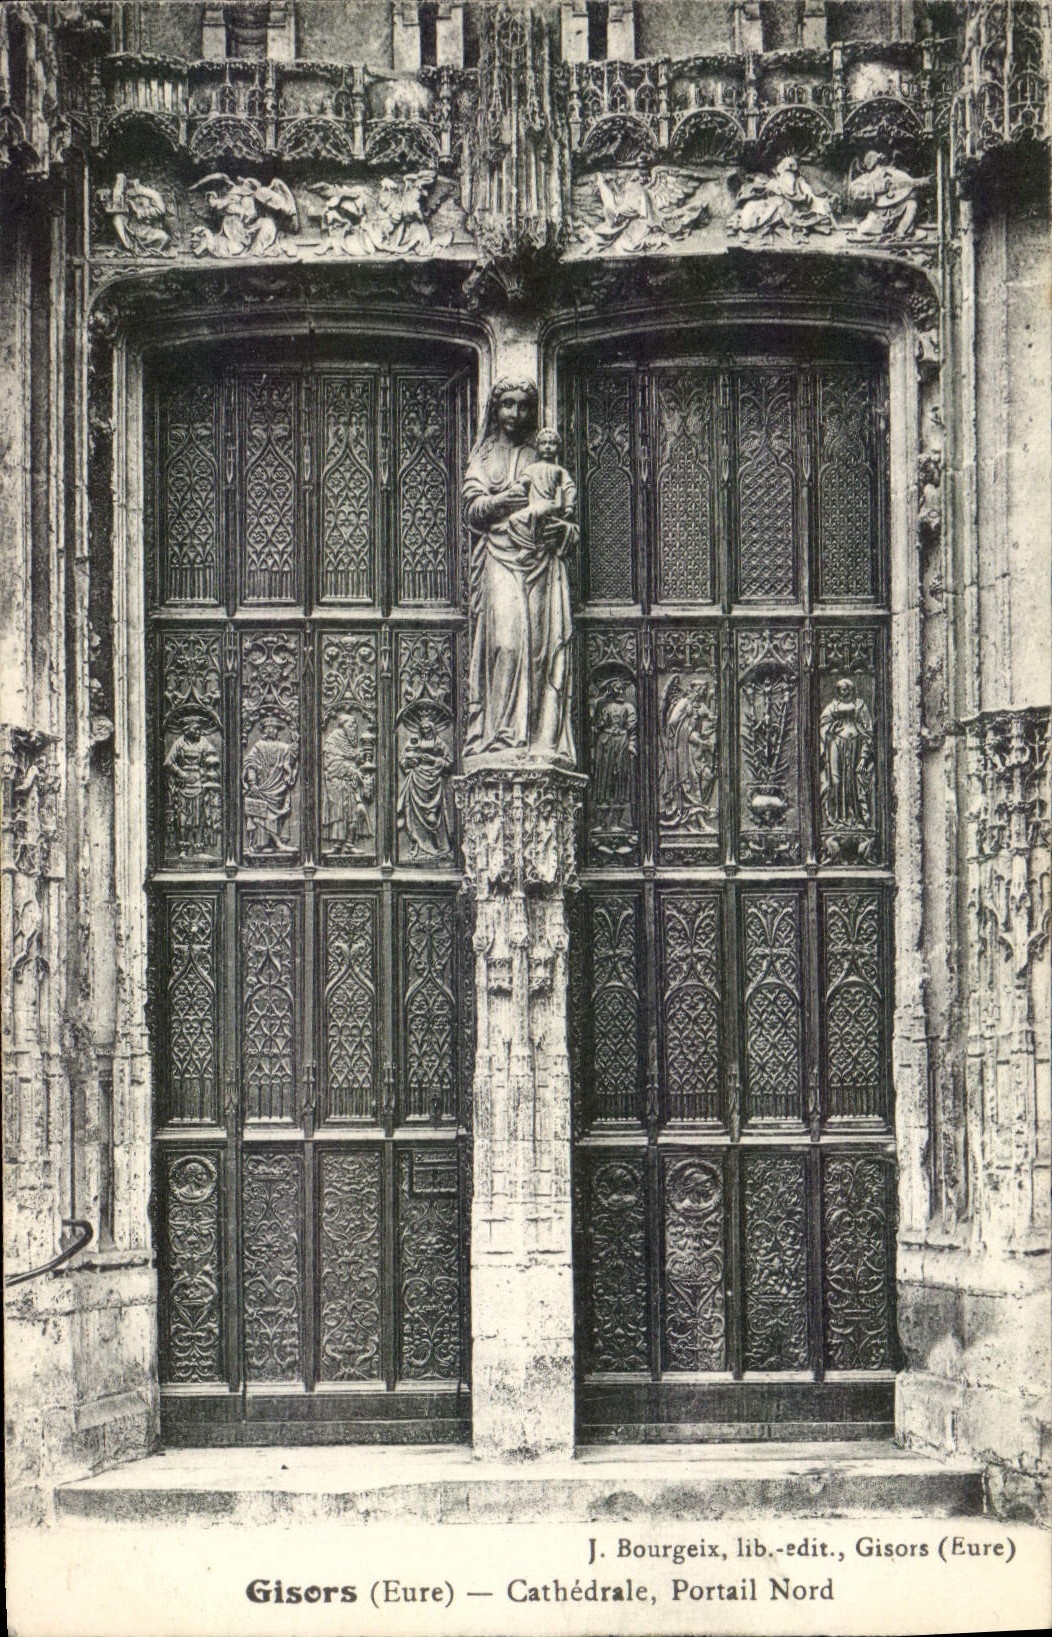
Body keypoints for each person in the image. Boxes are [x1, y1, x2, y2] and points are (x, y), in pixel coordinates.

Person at [464, 382, 576, 763]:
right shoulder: (484, 456)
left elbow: (567, 514)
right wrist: (503, 500)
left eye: (525, 407)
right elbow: (472, 511)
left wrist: (563, 530)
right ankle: (500, 736)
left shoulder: (543, 458)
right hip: (499, 556)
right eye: (508, 405)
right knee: (507, 645)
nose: (516, 414)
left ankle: (535, 739)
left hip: (540, 560)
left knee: (540, 649)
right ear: (494, 410)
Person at [733, 154, 835, 239]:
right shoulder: (785, 178)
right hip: (781, 204)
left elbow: (791, 193)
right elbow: (789, 193)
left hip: (783, 204)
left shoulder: (790, 178)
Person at [397, 707, 453, 859]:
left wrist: (434, 760)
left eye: (428, 728)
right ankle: (419, 846)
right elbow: (403, 759)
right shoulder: (414, 742)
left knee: (434, 817)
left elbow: (449, 763)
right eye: (423, 728)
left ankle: (438, 848)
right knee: (415, 816)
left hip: (435, 782)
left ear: (433, 728)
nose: (426, 730)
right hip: (417, 780)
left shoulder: (439, 742)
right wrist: (411, 762)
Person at [819, 678, 874, 828]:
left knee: (852, 781)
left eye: (848, 688)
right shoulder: (832, 707)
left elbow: (867, 730)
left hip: (855, 745)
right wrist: (831, 730)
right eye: (843, 689)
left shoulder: (860, 705)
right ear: (838, 691)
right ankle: (836, 818)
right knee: (836, 780)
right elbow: (823, 725)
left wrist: (863, 757)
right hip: (836, 744)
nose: (846, 691)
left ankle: (855, 818)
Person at [164, 712, 221, 855]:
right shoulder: (180, 743)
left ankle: (199, 848)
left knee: (199, 817)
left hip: (199, 784)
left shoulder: (203, 742)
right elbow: (168, 762)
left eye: (199, 729)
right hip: (184, 784)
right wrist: (181, 773)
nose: (198, 732)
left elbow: (213, 757)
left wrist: (209, 766)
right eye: (195, 729)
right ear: (187, 729)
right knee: (183, 817)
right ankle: (183, 849)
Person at [243, 713, 298, 852]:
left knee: (276, 814)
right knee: (262, 812)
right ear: (264, 730)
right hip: (262, 785)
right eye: (269, 728)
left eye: (274, 728)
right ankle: (262, 844)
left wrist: (295, 744)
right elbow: (250, 764)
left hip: (278, 786)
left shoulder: (283, 747)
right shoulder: (258, 746)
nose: (272, 731)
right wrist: (252, 783)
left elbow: (290, 760)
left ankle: (274, 843)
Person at [847, 150, 931, 241]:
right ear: (872, 166)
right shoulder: (867, 178)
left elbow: (905, 185)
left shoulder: (893, 174)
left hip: (897, 209)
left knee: (912, 204)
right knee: (866, 229)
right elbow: (853, 190)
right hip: (878, 213)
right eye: (878, 165)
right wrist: (876, 189)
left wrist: (919, 183)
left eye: (882, 165)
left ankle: (900, 233)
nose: (882, 168)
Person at [321, 712, 373, 853]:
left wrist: (360, 757)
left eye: (355, 726)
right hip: (338, 784)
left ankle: (349, 844)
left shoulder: (348, 741)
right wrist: (351, 770)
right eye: (351, 725)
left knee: (354, 813)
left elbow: (351, 756)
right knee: (340, 815)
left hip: (351, 784)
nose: (354, 729)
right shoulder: (334, 739)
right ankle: (338, 845)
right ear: (343, 726)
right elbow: (332, 762)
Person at [592, 679, 637, 831]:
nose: (621, 692)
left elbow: (633, 730)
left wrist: (631, 745)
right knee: (603, 781)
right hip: (605, 744)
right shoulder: (606, 706)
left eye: (623, 688)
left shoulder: (628, 707)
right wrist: (600, 700)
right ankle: (603, 822)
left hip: (621, 744)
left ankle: (617, 822)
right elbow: (598, 724)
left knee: (620, 780)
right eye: (617, 689)